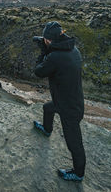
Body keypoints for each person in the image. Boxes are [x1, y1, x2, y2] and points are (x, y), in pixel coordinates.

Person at [33, 21, 86, 182]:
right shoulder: (73, 49)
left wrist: (43, 51)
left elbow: (38, 71)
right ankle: (47, 129)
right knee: (47, 108)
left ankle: (78, 174)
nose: (45, 41)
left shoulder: (55, 56)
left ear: (49, 40)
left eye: (46, 40)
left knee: (74, 143)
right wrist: (48, 49)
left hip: (69, 107)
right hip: (70, 100)